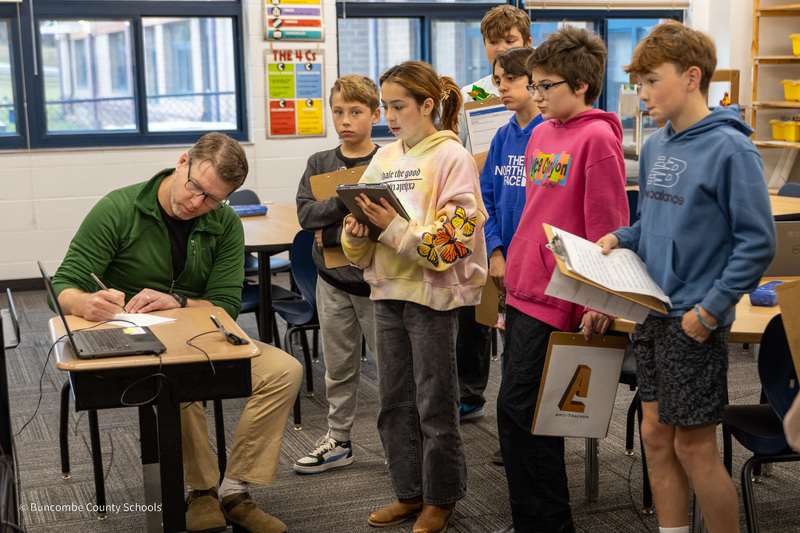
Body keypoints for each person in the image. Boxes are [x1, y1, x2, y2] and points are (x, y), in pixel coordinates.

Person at [51, 132, 303, 533]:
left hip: (200, 337)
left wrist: (179, 302)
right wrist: (84, 303)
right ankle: (201, 490)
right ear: (182, 161)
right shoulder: (119, 208)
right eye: (195, 188)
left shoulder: (223, 223)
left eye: (213, 199)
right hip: (135, 342)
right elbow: (63, 284)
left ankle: (235, 490)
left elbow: (226, 305)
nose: (197, 204)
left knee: (285, 371)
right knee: (179, 377)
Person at [596, 21, 776, 533]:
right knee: (655, 437)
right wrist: (620, 238)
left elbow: (757, 243)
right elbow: (651, 224)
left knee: (694, 447)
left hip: (694, 319)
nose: (642, 93)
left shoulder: (731, 149)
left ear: (692, 77)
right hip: (652, 310)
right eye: (639, 82)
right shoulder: (656, 145)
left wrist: (711, 310)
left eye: (652, 81)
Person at [341, 60, 487, 533]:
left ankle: (440, 500)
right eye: (385, 106)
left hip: (432, 299)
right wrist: (355, 233)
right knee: (393, 403)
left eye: (398, 106)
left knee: (434, 405)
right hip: (386, 293)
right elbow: (358, 250)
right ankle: (408, 493)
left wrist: (392, 227)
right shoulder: (383, 158)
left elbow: (450, 246)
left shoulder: (452, 157)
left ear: (427, 105)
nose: (389, 116)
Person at [495, 27, 629, 533]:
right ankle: (535, 519)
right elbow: (535, 212)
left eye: (545, 85)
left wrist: (601, 301)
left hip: (561, 296)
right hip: (524, 287)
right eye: (534, 84)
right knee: (526, 416)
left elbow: (607, 227)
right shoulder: (541, 134)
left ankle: (547, 523)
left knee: (522, 411)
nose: (537, 94)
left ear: (580, 85)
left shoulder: (598, 138)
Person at [294, 74, 381, 474]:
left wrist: (329, 229)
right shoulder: (319, 162)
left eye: (356, 112)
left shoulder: (387, 161)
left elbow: (386, 223)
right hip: (331, 282)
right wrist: (349, 200)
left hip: (375, 283)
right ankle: (339, 440)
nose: (345, 120)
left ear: (375, 115)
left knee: (391, 368)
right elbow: (305, 215)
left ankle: (401, 441)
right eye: (338, 111)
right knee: (339, 367)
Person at [456, 4, 532, 427]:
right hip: (486, 210)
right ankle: (471, 394)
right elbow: (463, 153)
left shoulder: (539, 89)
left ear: (527, 42)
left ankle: (517, 411)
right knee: (477, 310)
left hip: (524, 213)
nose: (500, 48)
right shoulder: (474, 94)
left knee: (518, 326)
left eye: (510, 40)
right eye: (493, 42)